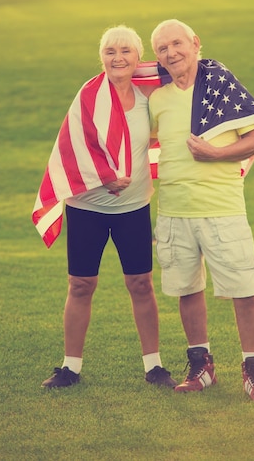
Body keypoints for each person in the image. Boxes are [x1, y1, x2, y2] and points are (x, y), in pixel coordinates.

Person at [34, 25, 176, 389]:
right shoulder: (88, 96)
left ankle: (154, 365)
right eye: (111, 51)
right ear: (102, 57)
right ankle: (70, 368)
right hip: (87, 209)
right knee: (81, 285)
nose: (118, 58)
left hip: (133, 209)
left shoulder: (150, 96)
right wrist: (104, 177)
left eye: (126, 51)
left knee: (141, 283)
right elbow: (72, 147)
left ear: (137, 56)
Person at [149, 19, 254, 401]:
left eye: (177, 44)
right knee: (187, 289)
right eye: (161, 49)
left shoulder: (219, 86)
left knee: (245, 290)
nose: (171, 53)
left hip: (222, 209)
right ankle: (201, 367)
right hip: (173, 210)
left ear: (195, 43)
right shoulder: (157, 99)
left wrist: (215, 153)